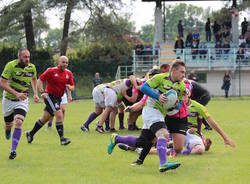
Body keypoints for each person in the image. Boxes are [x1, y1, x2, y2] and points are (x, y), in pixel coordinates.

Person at [25, 56, 74, 146]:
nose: (65, 64)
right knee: (59, 114)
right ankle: (62, 139)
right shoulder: (51, 71)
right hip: (49, 96)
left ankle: (30, 134)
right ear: (58, 62)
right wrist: (42, 92)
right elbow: (40, 80)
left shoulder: (69, 73)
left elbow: (72, 86)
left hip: (58, 98)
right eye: (63, 62)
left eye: (67, 62)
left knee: (44, 119)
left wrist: (69, 87)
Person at [0, 48, 39, 159]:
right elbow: (2, 83)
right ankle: (7, 130)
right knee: (8, 125)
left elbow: (34, 79)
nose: (27, 59)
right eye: (25, 57)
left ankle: (13, 150)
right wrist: (16, 93)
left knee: (18, 122)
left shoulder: (32, 67)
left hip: (22, 100)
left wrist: (36, 93)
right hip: (8, 99)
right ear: (19, 57)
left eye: (28, 57)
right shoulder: (11, 66)